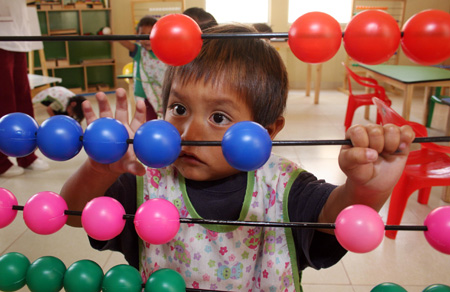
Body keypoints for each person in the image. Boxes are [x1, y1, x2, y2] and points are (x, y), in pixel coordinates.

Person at [60, 24, 415, 291]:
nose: (188, 133)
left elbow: (330, 218)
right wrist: (98, 169)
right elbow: (75, 214)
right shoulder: (147, 176)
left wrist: (365, 191)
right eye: (178, 108)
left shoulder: (281, 184)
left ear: (268, 131)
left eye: (219, 117)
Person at [0, 0, 49, 177]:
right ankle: (1, 160)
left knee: (22, 98)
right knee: (4, 101)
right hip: (2, 35)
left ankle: (26, 154)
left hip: (18, 33)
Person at [118, 15, 166, 121]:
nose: (147, 39)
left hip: (160, 91)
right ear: (137, 36)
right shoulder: (140, 51)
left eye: (150, 34)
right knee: (149, 118)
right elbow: (127, 44)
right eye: (143, 35)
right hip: (143, 92)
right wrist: (114, 37)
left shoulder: (163, 52)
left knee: (164, 116)